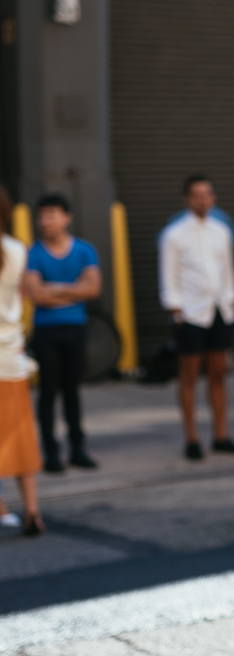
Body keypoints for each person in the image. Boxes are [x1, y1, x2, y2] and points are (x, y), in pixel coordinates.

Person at [159, 175, 234, 460]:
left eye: (207, 194)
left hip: (219, 308)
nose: (202, 199)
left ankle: (221, 435)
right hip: (191, 312)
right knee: (189, 375)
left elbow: (227, 269)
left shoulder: (221, 230)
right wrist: (175, 309)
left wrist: (231, 300)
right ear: (187, 199)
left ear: (213, 198)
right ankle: (192, 438)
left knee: (219, 373)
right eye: (196, 195)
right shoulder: (174, 234)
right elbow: (168, 274)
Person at [23, 193, 101, 473]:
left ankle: (78, 448)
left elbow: (93, 289)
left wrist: (53, 288)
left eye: (52, 215)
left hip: (75, 328)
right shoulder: (32, 252)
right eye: (42, 216)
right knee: (48, 391)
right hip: (45, 331)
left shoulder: (84, 250)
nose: (46, 221)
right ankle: (51, 452)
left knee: (72, 390)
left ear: (66, 218)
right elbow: (35, 294)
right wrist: (72, 290)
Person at [0, 182, 45, 535]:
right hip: (12, 355)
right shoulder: (17, 249)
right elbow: (28, 297)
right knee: (20, 436)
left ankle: (1, 510)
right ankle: (32, 510)